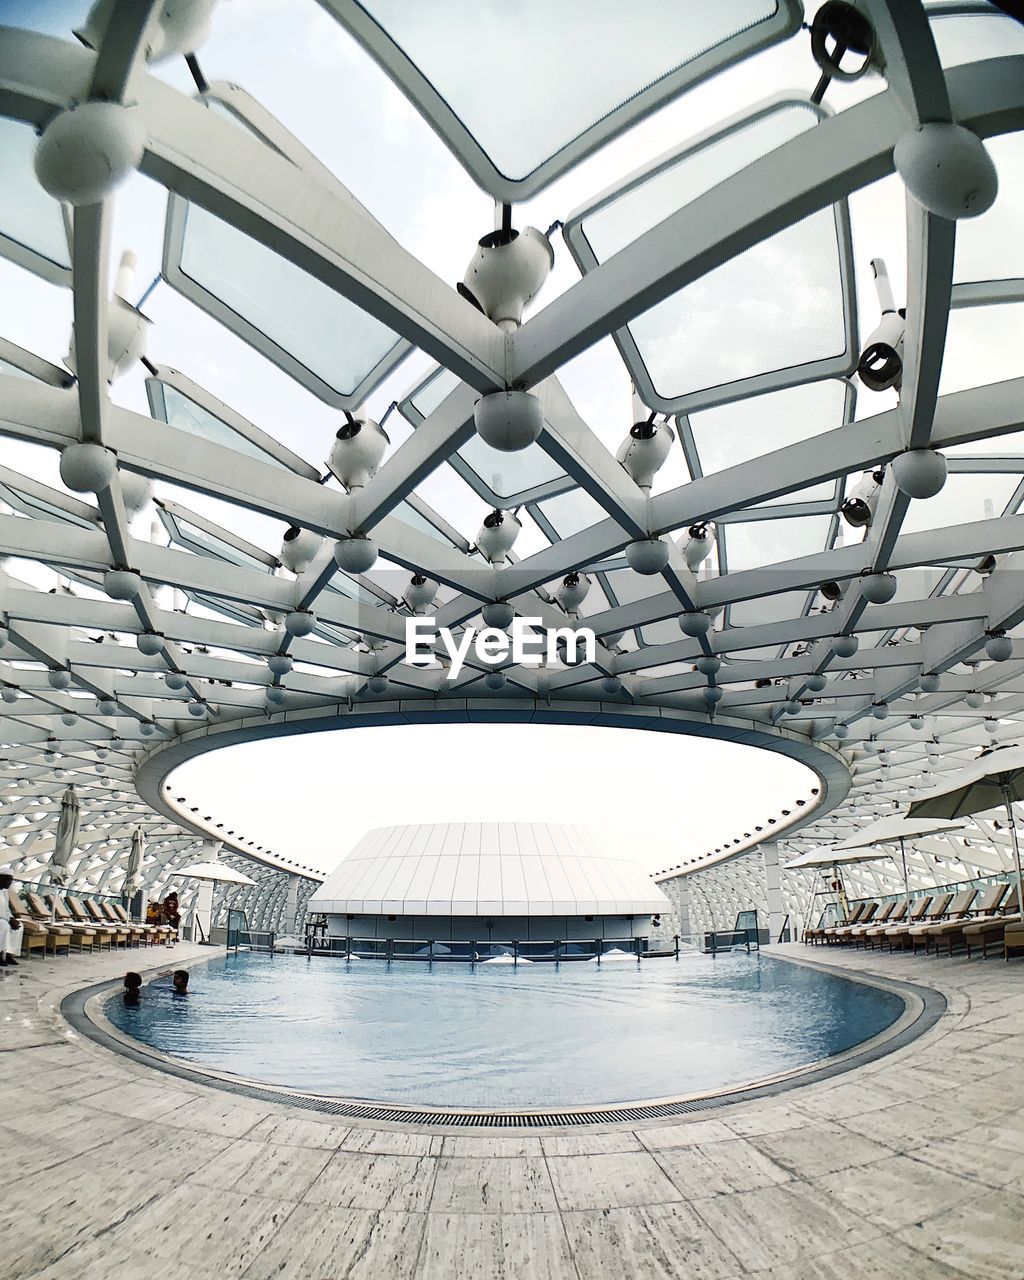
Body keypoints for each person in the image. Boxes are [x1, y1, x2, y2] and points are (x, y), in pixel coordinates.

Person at [0, 872, 23, 967]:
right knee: (4, 925)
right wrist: (8, 920)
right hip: (1, 919)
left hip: (3, 917)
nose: (10, 882)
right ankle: (0, 954)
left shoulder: (4, 892)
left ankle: (9, 953)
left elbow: (6, 909)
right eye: (8, 879)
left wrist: (12, 918)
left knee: (20, 926)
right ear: (1, 879)